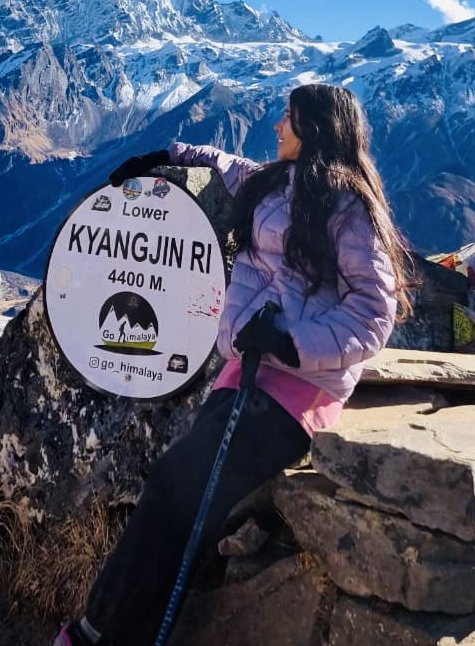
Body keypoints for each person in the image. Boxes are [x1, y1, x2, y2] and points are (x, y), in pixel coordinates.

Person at [51, 82, 416, 646]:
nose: (277, 127)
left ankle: (93, 634)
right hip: (245, 374)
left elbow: (374, 311)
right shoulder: (274, 181)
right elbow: (223, 162)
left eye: (288, 119)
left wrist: (292, 341)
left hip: (296, 392)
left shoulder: (350, 208)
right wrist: (165, 157)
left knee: (177, 488)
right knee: (182, 495)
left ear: (314, 128)